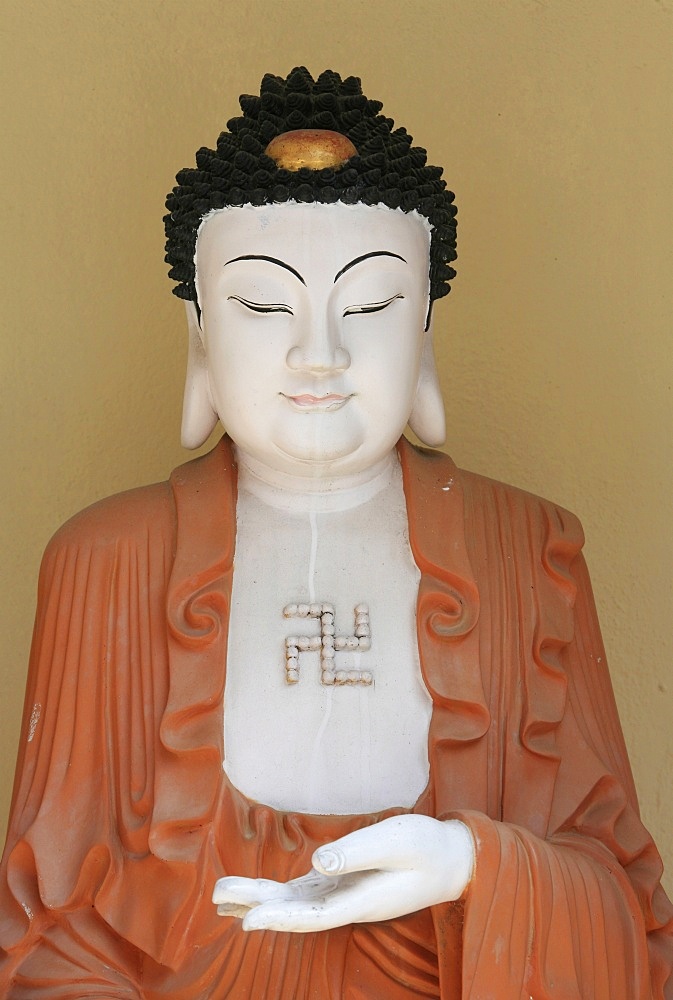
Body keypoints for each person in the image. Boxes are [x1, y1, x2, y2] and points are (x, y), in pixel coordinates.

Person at [0, 67, 671, 999]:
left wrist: (474, 867)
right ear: (198, 334)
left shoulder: (531, 557)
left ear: (426, 329)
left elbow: (629, 929)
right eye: (265, 306)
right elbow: (43, 942)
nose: (321, 352)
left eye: (371, 306)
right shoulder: (103, 565)